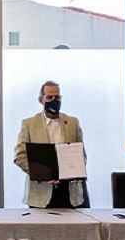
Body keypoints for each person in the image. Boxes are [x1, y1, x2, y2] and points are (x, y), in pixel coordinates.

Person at [14, 80, 88, 208]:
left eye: (57, 97)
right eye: (49, 97)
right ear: (41, 100)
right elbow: (19, 156)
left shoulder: (73, 122)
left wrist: (77, 171)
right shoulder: (29, 124)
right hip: (40, 194)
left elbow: (81, 154)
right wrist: (41, 174)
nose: (54, 100)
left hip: (69, 192)